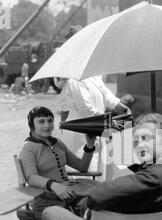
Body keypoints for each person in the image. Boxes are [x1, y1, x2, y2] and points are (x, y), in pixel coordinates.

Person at [55, 25, 131, 181]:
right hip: (80, 133)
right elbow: (87, 111)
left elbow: (105, 94)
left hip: (97, 129)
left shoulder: (94, 73)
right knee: (84, 176)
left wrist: (121, 108)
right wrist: (113, 124)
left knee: (100, 174)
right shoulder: (72, 75)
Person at [19, 106, 96, 219]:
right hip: (47, 198)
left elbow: (82, 167)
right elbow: (31, 178)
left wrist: (89, 146)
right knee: (94, 203)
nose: (47, 125)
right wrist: (54, 185)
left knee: (104, 195)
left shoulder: (57, 143)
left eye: (50, 121)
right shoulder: (28, 148)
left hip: (69, 191)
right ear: (31, 125)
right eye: (41, 121)